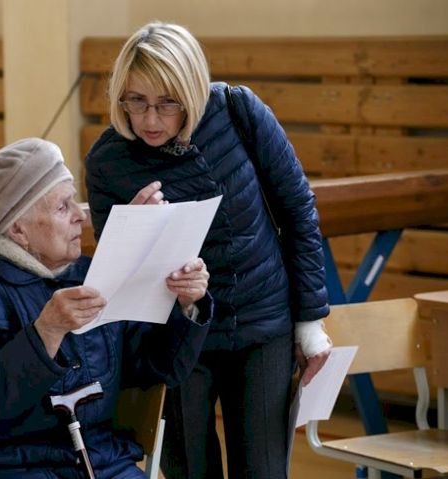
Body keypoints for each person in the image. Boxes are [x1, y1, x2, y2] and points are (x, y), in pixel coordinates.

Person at [84, 22, 332, 479]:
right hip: (177, 339)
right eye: (136, 101)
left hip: (262, 322)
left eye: (167, 102)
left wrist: (310, 323)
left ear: (192, 91)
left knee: (263, 471)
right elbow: (117, 283)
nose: (150, 120)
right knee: (190, 471)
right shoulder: (107, 162)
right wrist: (133, 231)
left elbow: (298, 210)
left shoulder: (238, 111)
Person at [0, 137, 213, 478]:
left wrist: (186, 305)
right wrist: (46, 333)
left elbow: (157, 370)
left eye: (75, 201)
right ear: (18, 229)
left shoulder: (90, 275)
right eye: (62, 207)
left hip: (98, 459)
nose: (80, 215)